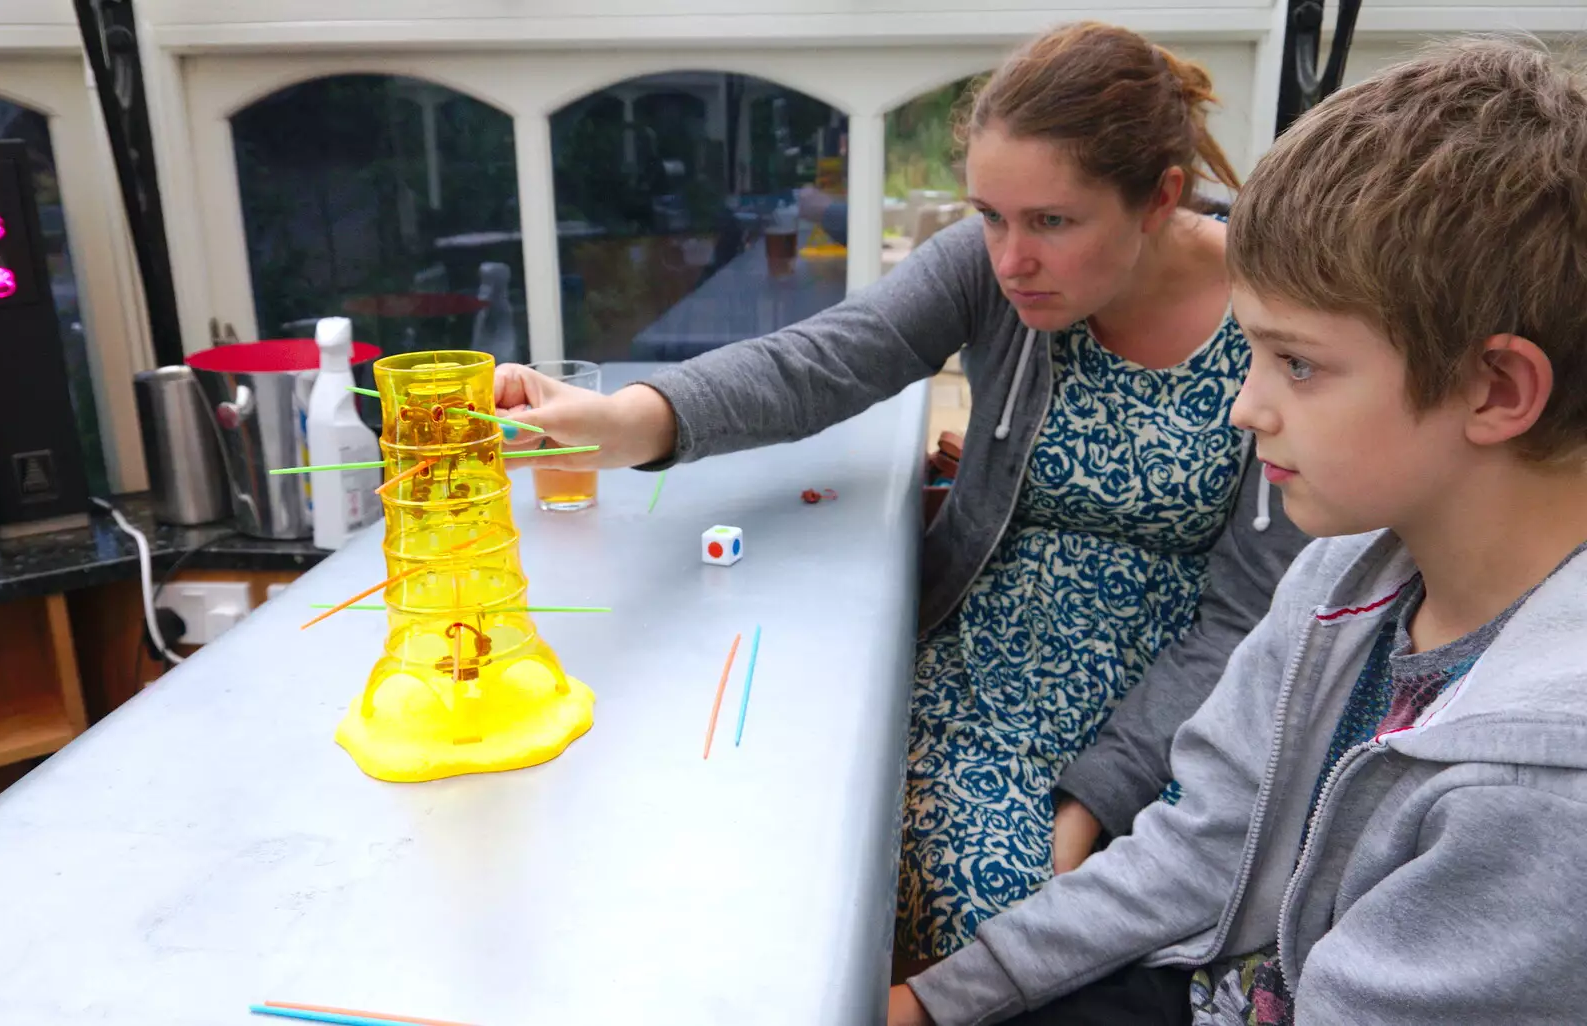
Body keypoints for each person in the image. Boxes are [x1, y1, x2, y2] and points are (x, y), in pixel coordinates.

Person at [496, 21, 1307, 968]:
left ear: (1159, 197)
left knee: (1062, 943)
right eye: (991, 216)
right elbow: (825, 360)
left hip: (1173, 706)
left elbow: (1251, 616)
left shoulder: (1275, 322)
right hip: (979, 670)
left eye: (1052, 221)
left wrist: (1095, 801)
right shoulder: (991, 270)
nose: (1010, 260)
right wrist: (629, 419)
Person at [886, 35, 1587, 1026]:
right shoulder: (1336, 580)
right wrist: (932, 1003)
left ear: (1497, 387)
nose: (1243, 408)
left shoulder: (1540, 790)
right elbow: (1201, 842)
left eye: (1295, 364)